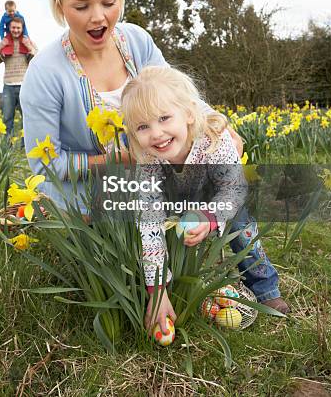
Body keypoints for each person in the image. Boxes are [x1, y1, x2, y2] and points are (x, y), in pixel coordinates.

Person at [20, 0, 243, 212]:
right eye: (82, 6)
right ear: (60, 6)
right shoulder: (44, 73)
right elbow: (48, 165)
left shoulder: (137, 41)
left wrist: (218, 126)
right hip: (89, 194)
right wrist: (122, 159)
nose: (98, 17)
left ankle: (234, 246)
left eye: (109, 2)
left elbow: (180, 98)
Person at [120, 65, 290, 333]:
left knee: (242, 229)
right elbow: (150, 221)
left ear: (188, 113)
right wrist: (157, 292)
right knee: (172, 234)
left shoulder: (214, 139)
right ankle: (187, 284)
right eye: (143, 126)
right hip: (177, 198)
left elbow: (234, 189)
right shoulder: (148, 158)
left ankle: (266, 288)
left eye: (164, 118)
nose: (156, 133)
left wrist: (210, 217)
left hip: (220, 195)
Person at [0, 17, 37, 136]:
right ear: (9, 28)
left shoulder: (28, 42)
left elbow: (38, 60)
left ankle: (26, 145)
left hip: (25, 85)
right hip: (8, 86)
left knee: (27, 117)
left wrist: (30, 48)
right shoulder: (4, 42)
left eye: (18, 28)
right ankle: (7, 146)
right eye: (13, 27)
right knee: (7, 117)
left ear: (22, 28)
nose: (16, 30)